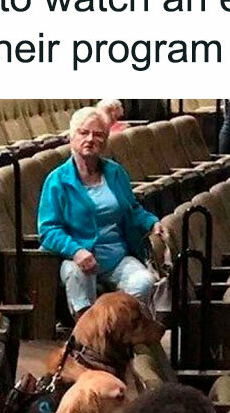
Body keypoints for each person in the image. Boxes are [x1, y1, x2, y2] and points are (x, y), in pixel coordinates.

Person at [38, 107, 164, 319]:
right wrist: (76, 251)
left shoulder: (115, 172)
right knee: (76, 275)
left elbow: (132, 209)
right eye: (83, 132)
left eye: (98, 134)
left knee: (144, 282)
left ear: (105, 141)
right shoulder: (57, 180)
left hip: (117, 257)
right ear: (71, 137)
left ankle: (115, 327)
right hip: (78, 257)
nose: (90, 139)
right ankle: (87, 331)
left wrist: (151, 222)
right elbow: (48, 230)